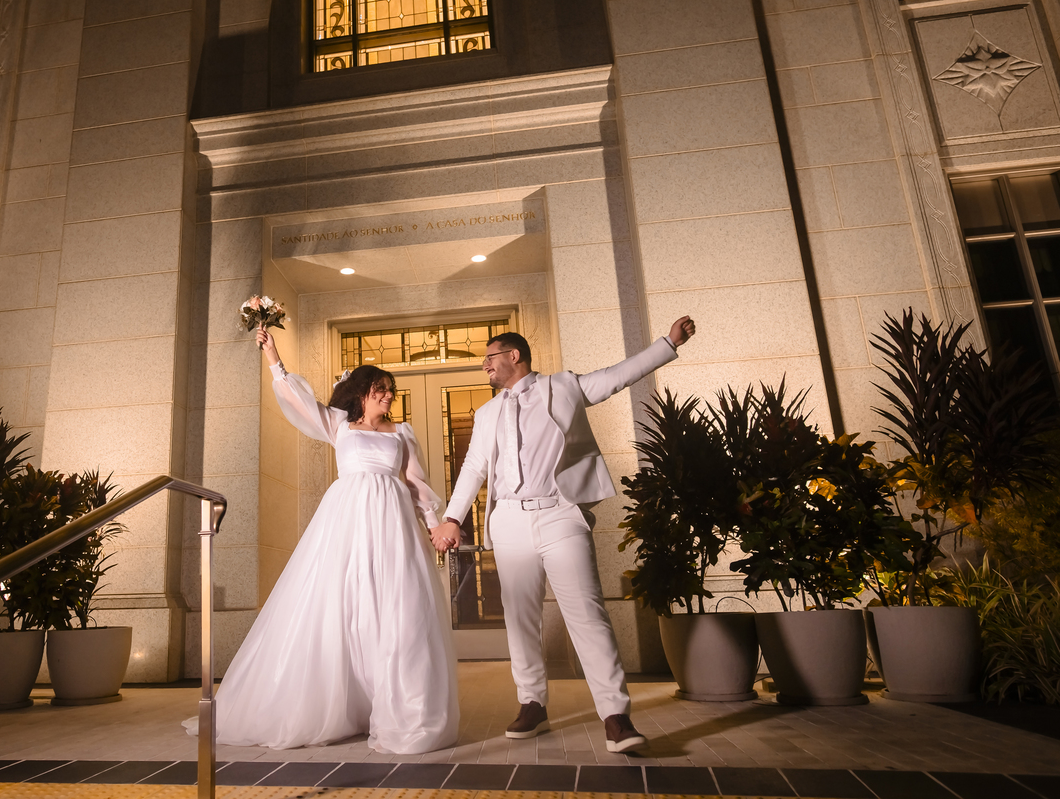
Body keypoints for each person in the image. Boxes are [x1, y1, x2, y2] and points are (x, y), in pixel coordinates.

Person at [184, 326, 459, 754]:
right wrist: (274, 358)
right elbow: (300, 402)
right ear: (361, 392)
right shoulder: (339, 425)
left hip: (393, 527)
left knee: (396, 607)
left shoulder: (403, 433)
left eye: (389, 390)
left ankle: (400, 706)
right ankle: (343, 704)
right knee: (340, 605)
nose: (387, 396)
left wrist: (435, 523)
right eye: (380, 389)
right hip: (346, 522)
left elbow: (416, 484)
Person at [430, 317, 696, 753]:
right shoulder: (487, 412)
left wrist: (667, 342)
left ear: (514, 356)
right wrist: (453, 518)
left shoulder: (563, 387)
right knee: (519, 619)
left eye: (490, 358)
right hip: (510, 520)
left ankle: (615, 717)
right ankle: (532, 703)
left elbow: (616, 377)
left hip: (560, 515)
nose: (485, 367)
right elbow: (474, 469)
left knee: (588, 615)